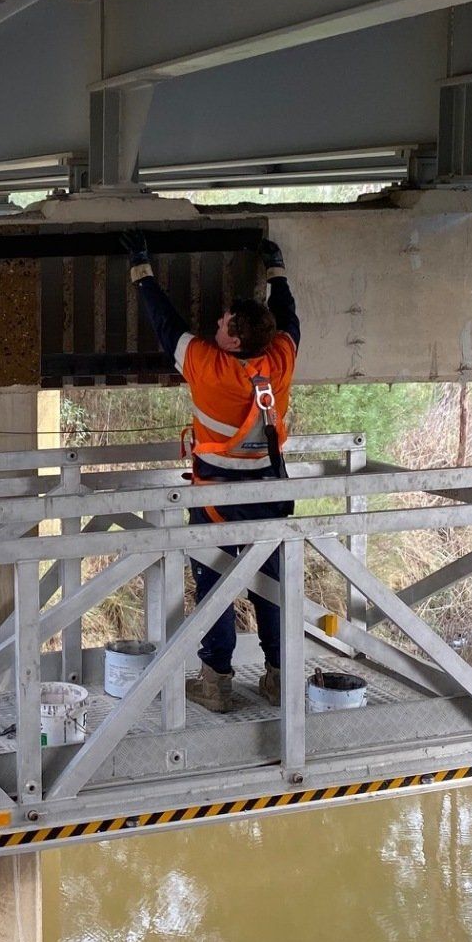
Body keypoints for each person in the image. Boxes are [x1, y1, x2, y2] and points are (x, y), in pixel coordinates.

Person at [121, 233, 298, 713]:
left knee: (215, 586)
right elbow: (290, 319)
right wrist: (276, 269)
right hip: (268, 497)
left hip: (215, 502)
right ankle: (280, 678)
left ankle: (217, 682)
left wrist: (142, 268)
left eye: (223, 324)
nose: (214, 324)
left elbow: (166, 324)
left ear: (234, 340)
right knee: (272, 585)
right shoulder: (280, 359)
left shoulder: (208, 366)